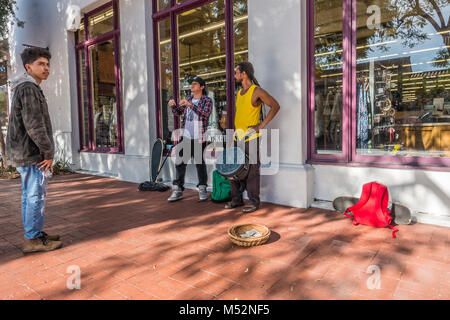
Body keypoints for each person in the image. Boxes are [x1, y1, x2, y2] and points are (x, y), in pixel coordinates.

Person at [5, 47, 62, 253]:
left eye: (47, 64)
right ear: (28, 67)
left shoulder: (28, 87)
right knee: (35, 195)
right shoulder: (28, 88)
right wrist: (47, 153)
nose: (46, 68)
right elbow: (34, 125)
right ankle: (32, 239)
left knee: (30, 195)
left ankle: (35, 233)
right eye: (41, 64)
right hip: (31, 154)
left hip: (27, 153)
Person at [225, 61, 280, 213]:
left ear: (244, 74)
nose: (234, 75)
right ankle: (236, 199)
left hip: (251, 137)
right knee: (234, 168)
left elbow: (275, 106)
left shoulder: (256, 91)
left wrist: (261, 126)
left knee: (252, 170)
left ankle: (253, 201)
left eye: (236, 72)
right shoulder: (239, 93)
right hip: (238, 137)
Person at [167, 76, 213, 202]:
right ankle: (178, 190)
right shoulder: (189, 99)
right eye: (191, 84)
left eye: (195, 84)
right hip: (186, 137)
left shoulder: (207, 100)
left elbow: (205, 115)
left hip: (199, 137)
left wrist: (190, 105)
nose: (192, 86)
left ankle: (202, 188)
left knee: (200, 164)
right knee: (180, 163)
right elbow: (178, 113)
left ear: (202, 87)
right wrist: (173, 106)